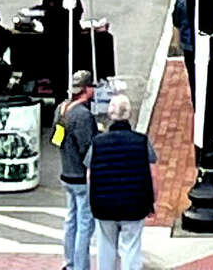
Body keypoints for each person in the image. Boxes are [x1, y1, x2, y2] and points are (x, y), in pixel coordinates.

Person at [85, 91, 155, 270]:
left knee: (106, 247)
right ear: (129, 114)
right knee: (131, 247)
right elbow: (151, 173)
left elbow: (90, 175)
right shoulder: (141, 141)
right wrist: (151, 201)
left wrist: (92, 200)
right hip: (134, 204)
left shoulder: (98, 142)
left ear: (110, 114)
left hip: (104, 205)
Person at [57, 69, 97, 270]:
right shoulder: (83, 115)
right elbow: (87, 148)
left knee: (70, 220)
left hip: (66, 172)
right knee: (85, 225)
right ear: (86, 89)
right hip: (81, 178)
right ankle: (81, 266)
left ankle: (69, 262)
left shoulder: (62, 108)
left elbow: (57, 139)